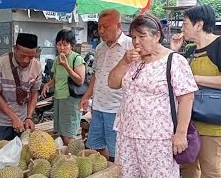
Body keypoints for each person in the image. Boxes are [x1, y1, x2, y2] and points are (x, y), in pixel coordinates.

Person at [108, 14, 198, 177]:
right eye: (133, 37)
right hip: (127, 134)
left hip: (157, 138)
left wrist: (180, 133)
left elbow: (186, 98)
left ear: (157, 36)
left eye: (142, 36)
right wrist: (123, 61)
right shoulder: (132, 60)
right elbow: (112, 83)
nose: (136, 42)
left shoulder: (174, 61)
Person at [170, 5, 221, 178]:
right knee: (188, 168)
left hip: (214, 125)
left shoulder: (219, 45)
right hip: (190, 123)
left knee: (211, 170)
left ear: (199, 25)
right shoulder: (191, 50)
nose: (182, 28)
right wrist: (174, 51)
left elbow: (188, 80)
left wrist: (195, 79)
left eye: (185, 24)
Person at [79, 9, 133, 162]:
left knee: (117, 151)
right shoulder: (100, 48)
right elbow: (97, 74)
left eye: (106, 27)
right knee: (95, 145)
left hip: (117, 108)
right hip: (98, 106)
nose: (101, 31)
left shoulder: (130, 46)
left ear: (118, 26)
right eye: (99, 27)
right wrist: (87, 96)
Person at [0, 33, 42, 144]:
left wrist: (29, 117)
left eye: (30, 57)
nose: (26, 60)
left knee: (21, 156)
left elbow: (34, 93)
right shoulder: (0, 64)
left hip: (24, 120)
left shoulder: (37, 66)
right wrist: (13, 117)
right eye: (22, 56)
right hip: (2, 122)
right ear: (15, 49)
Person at [41, 29, 85, 145]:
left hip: (71, 99)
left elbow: (80, 80)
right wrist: (47, 84)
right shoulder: (56, 60)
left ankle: (71, 157)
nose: (62, 48)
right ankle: (65, 155)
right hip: (59, 98)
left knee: (68, 133)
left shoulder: (77, 59)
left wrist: (66, 66)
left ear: (71, 45)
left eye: (65, 45)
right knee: (60, 131)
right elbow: (56, 79)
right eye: (59, 44)